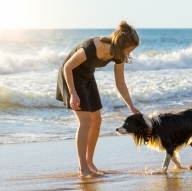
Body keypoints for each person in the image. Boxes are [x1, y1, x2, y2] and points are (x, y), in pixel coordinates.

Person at [56, 21, 141, 178]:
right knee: (86, 122)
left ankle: (90, 162)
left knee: (97, 120)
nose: (129, 54)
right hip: (71, 77)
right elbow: (68, 67)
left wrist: (131, 106)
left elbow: (120, 83)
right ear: (122, 44)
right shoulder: (92, 46)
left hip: (87, 78)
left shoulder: (119, 56)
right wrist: (73, 93)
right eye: (129, 50)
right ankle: (82, 168)